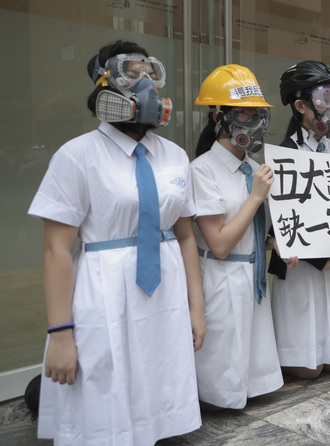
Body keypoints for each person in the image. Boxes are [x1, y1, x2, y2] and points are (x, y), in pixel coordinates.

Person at [27, 40, 205, 445]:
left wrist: (197, 309)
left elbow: (185, 236)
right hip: (103, 290)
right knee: (105, 386)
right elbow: (57, 250)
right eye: (132, 72)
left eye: (151, 73)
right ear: (104, 85)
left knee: (158, 372)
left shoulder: (175, 156)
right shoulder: (77, 156)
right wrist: (59, 333)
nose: (145, 83)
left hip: (166, 291)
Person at [190, 64, 288, 410]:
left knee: (251, 379)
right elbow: (218, 243)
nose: (256, 122)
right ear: (220, 117)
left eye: (259, 113)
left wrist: (278, 244)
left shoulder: (252, 166)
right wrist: (256, 197)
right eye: (246, 113)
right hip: (222, 279)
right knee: (220, 385)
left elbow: (253, 231)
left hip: (252, 276)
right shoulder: (202, 170)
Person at [270, 60, 330, 379]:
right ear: (300, 105)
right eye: (325, 98)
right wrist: (322, 260)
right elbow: (280, 225)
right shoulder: (284, 154)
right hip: (303, 268)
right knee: (310, 368)